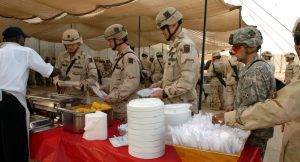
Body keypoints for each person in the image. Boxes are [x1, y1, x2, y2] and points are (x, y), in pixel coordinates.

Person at [212, 19, 300, 162]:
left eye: (237, 47)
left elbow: (261, 109)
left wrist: (230, 118)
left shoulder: (257, 70)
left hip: (253, 135)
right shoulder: (251, 67)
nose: (233, 51)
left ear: (250, 47)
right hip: (247, 129)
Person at [0, 27, 61, 162]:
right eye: (23, 38)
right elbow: (49, 72)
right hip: (12, 101)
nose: (24, 41)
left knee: (4, 139)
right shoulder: (25, 52)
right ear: (17, 38)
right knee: (17, 141)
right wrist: (60, 71)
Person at [150, 7, 200, 114]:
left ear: (174, 24)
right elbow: (174, 75)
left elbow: (187, 80)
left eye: (163, 28)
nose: (161, 32)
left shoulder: (186, 46)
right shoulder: (174, 46)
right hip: (174, 104)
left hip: (184, 107)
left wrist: (164, 93)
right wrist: (160, 84)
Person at [103, 24, 140, 122]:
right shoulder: (120, 57)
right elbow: (118, 81)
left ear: (118, 39)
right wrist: (102, 89)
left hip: (124, 109)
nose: (108, 44)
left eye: (110, 40)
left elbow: (132, 83)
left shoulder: (129, 58)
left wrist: (112, 97)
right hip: (117, 107)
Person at [55, 29, 98, 97]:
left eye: (72, 44)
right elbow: (55, 73)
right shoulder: (61, 57)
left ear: (78, 43)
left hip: (80, 97)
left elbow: (94, 78)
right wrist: (56, 82)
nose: (70, 47)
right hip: (63, 96)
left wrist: (82, 84)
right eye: (67, 45)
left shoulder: (86, 58)